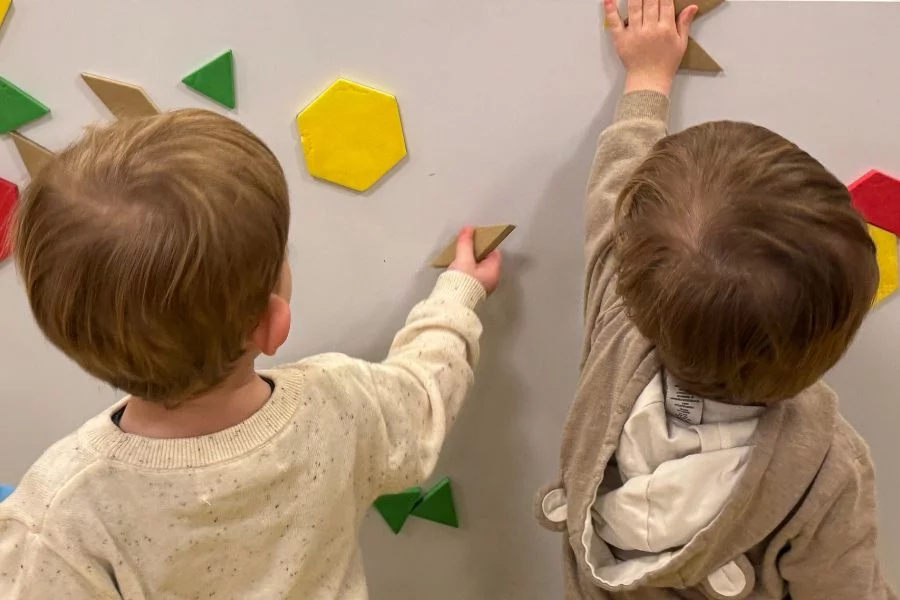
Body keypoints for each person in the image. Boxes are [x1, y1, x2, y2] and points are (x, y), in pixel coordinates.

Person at [0, 108, 502, 599]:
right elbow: (424, 393)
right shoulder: (338, 404)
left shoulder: (61, 510)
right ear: (270, 323)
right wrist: (458, 294)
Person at [534, 1, 897, 598]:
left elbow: (611, 193)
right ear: (837, 339)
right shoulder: (826, 467)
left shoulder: (618, 334)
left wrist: (647, 80)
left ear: (628, 275)